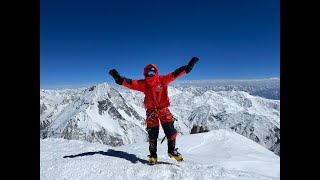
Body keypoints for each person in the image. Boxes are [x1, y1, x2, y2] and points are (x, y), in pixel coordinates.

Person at [109, 57, 199, 165]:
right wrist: (119, 79)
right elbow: (131, 83)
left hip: (163, 110)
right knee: (152, 135)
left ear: (156, 72)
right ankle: (153, 156)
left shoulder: (162, 80)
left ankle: (171, 151)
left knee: (171, 132)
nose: (151, 74)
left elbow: (175, 74)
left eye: (152, 72)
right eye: (148, 72)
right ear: (145, 73)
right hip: (151, 112)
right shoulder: (144, 84)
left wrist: (187, 68)